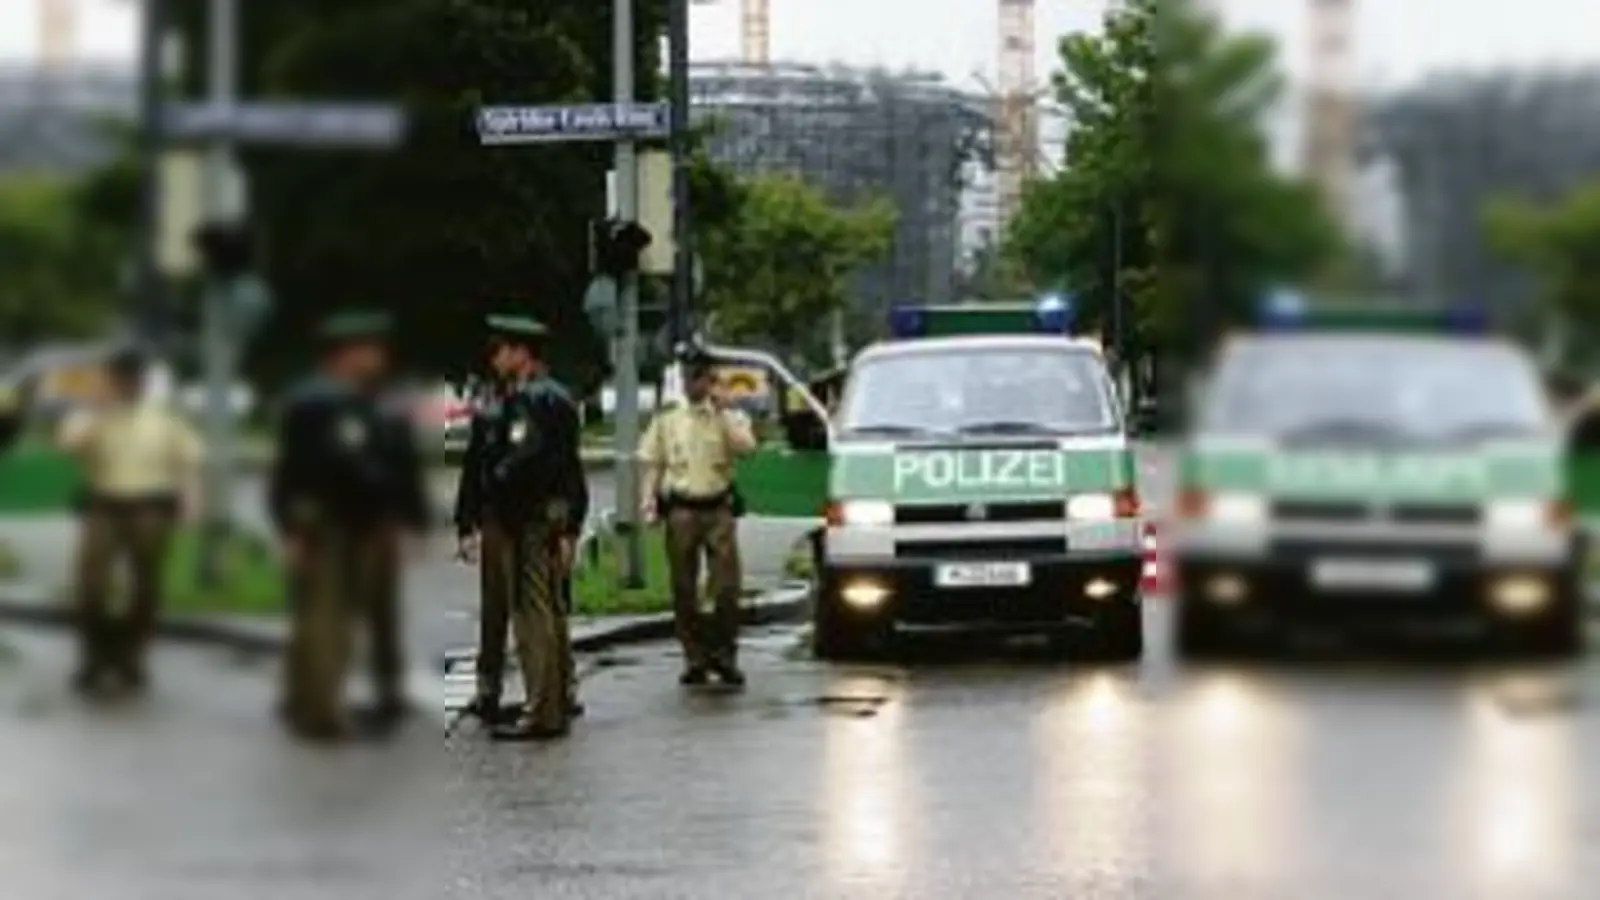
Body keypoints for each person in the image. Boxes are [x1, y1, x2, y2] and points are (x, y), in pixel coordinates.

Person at [453, 314, 587, 741]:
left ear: (521, 353)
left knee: (531, 613)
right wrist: (571, 519)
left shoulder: (528, 400)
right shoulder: (559, 398)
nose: (496, 359)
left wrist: (496, 487)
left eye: (503, 350)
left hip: (523, 517)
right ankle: (553, 699)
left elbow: (524, 460)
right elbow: (569, 468)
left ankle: (543, 710)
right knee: (546, 608)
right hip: (544, 515)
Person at [268, 311, 396, 741]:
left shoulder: (304, 399)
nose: (379, 359)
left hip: (309, 517)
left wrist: (286, 521)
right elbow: (351, 465)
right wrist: (382, 498)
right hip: (337, 522)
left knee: (308, 616)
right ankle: (322, 714)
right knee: (332, 619)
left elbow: (285, 470)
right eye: (371, 351)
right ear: (349, 355)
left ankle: (300, 700)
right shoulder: (341, 404)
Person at [58, 347, 202, 695]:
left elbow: (188, 461)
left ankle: (131, 657)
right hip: (104, 504)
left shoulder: (163, 418)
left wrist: (191, 502)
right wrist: (97, 408)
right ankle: (94, 656)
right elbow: (68, 445)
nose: (127, 383)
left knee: (145, 585)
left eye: (133, 377)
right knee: (91, 585)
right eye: (120, 376)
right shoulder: (91, 416)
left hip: (149, 505)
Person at [640, 350, 757, 688]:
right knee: (683, 588)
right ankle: (694, 657)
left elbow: (748, 449)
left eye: (700, 377)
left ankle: (724, 656)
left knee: (726, 587)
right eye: (689, 377)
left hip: (717, 508)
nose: (693, 384)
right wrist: (648, 499)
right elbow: (653, 462)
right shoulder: (668, 418)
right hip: (682, 509)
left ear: (710, 380)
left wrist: (723, 411)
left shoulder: (726, 417)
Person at [363, 387, 430, 733]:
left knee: (381, 612)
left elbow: (407, 475)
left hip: (377, 527)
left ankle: (386, 693)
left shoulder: (388, 422)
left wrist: (415, 525)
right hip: (342, 525)